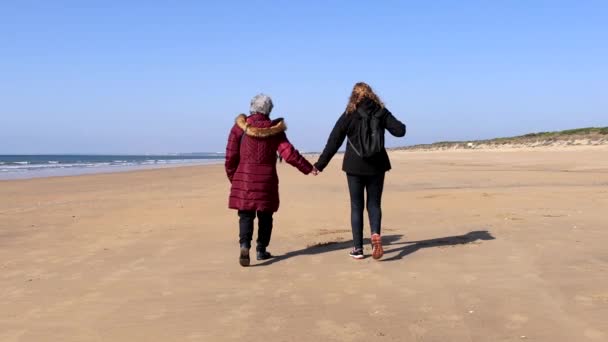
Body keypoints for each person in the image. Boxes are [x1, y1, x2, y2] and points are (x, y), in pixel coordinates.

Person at [314, 82, 406, 260]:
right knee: (374, 204)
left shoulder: (349, 113)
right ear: (372, 94)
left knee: (356, 206)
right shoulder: (381, 111)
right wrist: (385, 117)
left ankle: (357, 248)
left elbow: (334, 140)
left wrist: (320, 165)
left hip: (354, 166)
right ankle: (375, 236)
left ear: (353, 96)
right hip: (378, 166)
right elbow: (400, 131)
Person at [225, 94, 314, 267]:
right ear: (269, 110)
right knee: (266, 215)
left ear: (251, 106)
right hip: (267, 180)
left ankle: (244, 246)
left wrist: (234, 179)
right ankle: (261, 249)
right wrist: (308, 168)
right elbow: (289, 153)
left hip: (244, 179)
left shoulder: (238, 128)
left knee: (245, 215)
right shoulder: (275, 130)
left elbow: (230, 157)